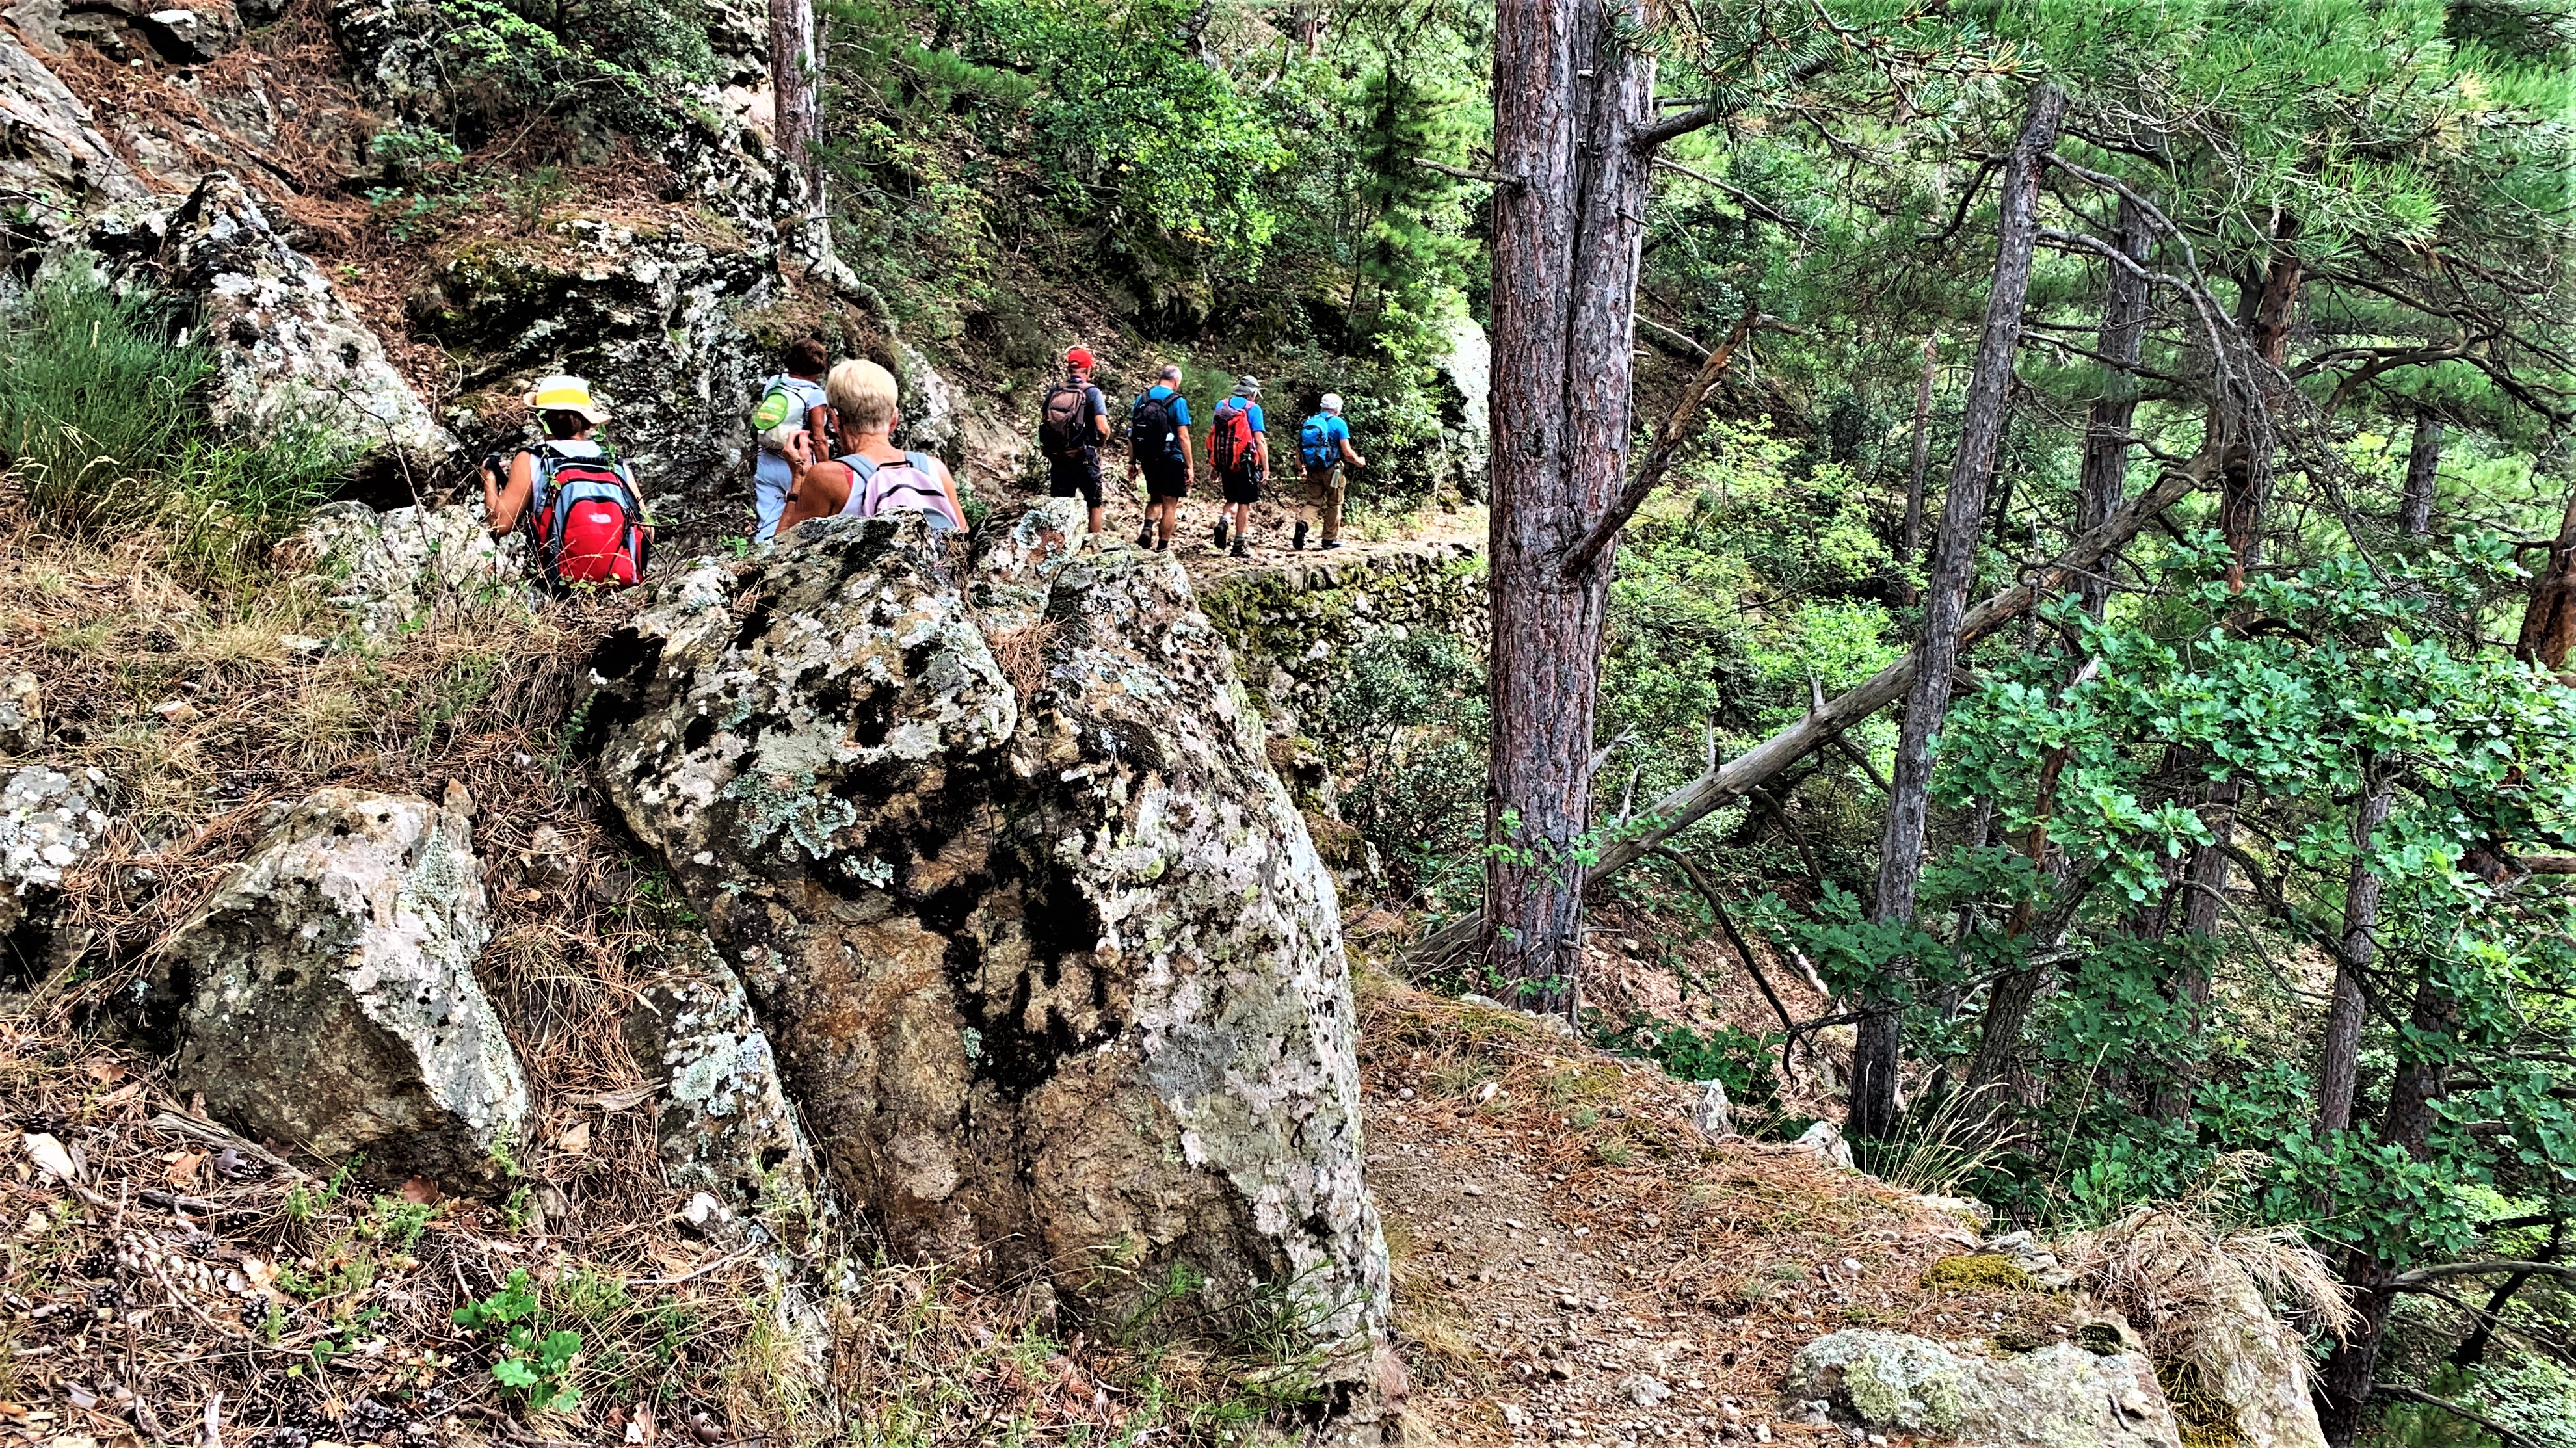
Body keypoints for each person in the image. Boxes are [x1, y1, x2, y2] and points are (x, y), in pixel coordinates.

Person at [481, 375, 651, 587]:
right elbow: (647, 530)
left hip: (560, 586)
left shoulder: (533, 459)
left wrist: (490, 477)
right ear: (588, 422)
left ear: (543, 419)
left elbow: (499, 525)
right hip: (621, 581)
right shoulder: (613, 461)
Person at [773, 358, 967, 534]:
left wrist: (799, 479)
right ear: (894, 420)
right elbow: (965, 544)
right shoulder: (936, 470)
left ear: (836, 420)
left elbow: (780, 557)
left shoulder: (828, 478)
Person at [749, 339, 834, 540]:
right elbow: (819, 439)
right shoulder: (814, 395)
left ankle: (760, 556)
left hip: (766, 458)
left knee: (768, 519)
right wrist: (827, 471)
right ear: (818, 368)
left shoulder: (775, 382)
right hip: (795, 464)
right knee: (805, 518)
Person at [1037, 345, 1111, 534]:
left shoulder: (1056, 390)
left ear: (1069, 370)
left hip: (1059, 456)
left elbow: (1044, 420)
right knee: (1094, 504)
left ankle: (1058, 547)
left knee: (1061, 504)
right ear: (1088, 370)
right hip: (1083, 456)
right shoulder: (1092, 392)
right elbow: (1103, 427)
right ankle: (1094, 547)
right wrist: (1100, 442)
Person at [1126, 363, 1193, 550]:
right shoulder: (1177, 401)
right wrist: (1189, 466)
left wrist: (1132, 462)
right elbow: (1183, 436)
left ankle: (1147, 529)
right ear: (1176, 381)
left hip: (1148, 457)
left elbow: (1132, 432)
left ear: (1160, 378)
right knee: (1170, 505)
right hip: (1171, 458)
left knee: (1154, 498)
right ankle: (1162, 547)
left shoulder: (1143, 398)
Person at [1296, 392, 1368, 551]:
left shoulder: (1310, 422)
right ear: (1337, 408)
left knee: (1313, 502)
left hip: (1313, 470)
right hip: (1332, 471)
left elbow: (1299, 450)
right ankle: (1329, 540)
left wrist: (1302, 469)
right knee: (1334, 503)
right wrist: (1359, 461)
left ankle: (1303, 523)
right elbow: (1347, 452)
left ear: (1322, 406)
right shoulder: (1338, 423)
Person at [1206, 375, 1267, 559]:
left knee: (1231, 498)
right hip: (1245, 463)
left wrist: (1214, 465)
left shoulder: (1221, 405)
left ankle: (1224, 521)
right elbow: (1260, 441)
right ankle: (1239, 544)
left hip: (1225, 461)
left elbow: (1215, 436)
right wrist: (1265, 467)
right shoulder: (1253, 409)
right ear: (1253, 393)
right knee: (1244, 504)